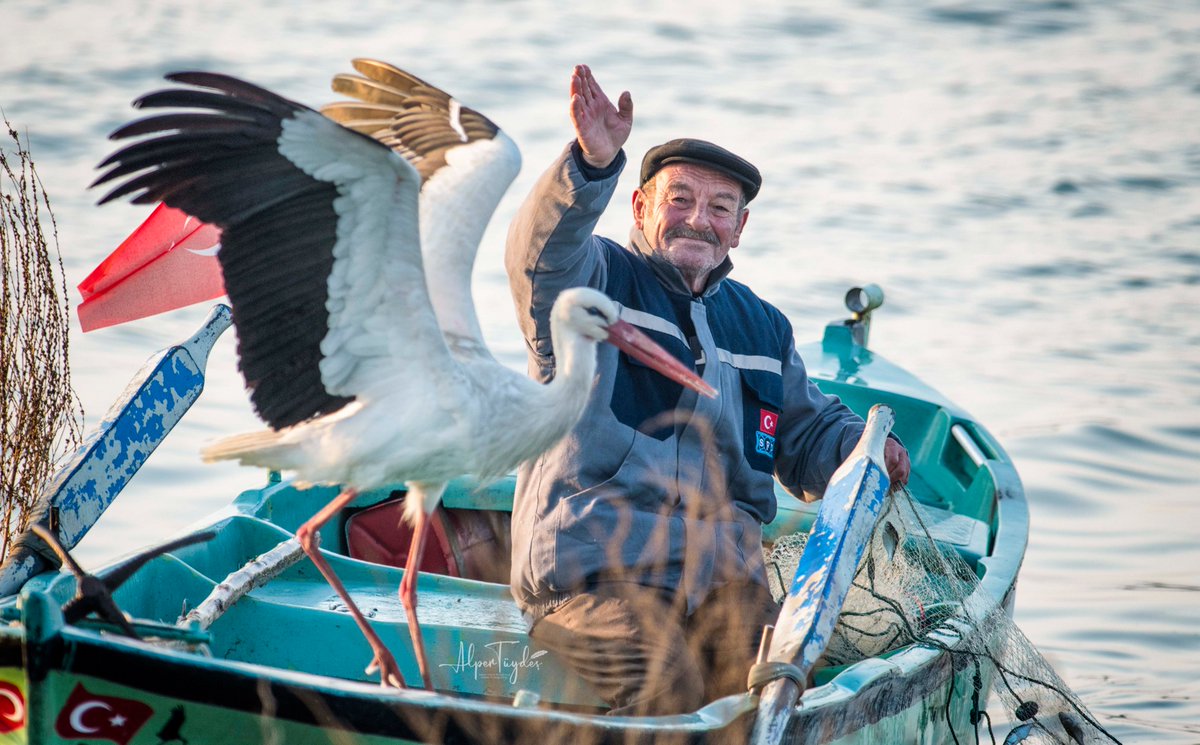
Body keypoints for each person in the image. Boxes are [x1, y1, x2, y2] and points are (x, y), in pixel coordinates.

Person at [504, 64, 911, 716]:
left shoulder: (763, 326)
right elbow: (538, 255)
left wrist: (862, 450)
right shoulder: (592, 282)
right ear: (640, 207)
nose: (700, 220)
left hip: (726, 586)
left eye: (720, 207)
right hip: (599, 585)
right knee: (666, 687)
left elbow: (806, 435)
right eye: (680, 199)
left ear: (739, 228)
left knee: (780, 690)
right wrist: (589, 164)